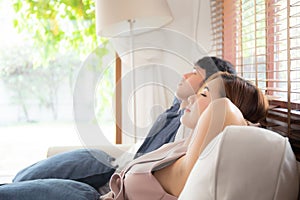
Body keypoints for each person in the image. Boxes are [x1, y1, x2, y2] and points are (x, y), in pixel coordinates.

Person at [101, 72, 269, 199]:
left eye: (204, 94)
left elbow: (224, 108)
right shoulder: (184, 146)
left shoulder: (198, 164)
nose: (191, 98)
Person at [133, 56, 236, 159]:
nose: (185, 76)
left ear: (209, 84)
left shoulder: (189, 123)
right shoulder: (173, 111)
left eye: (195, 72)